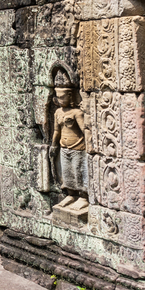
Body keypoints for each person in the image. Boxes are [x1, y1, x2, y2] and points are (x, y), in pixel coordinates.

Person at [48, 63, 89, 212]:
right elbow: (56, 131)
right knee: (67, 172)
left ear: (70, 96)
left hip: (78, 147)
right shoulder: (58, 112)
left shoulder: (77, 113)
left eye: (63, 97)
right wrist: (54, 145)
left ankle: (83, 197)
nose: (60, 100)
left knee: (79, 171)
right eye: (58, 97)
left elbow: (85, 129)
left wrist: (90, 143)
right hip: (64, 147)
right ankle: (71, 194)